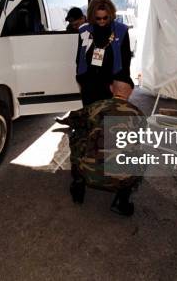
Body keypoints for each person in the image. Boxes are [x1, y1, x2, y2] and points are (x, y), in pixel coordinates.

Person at [60, 80, 145, 216]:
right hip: (120, 177)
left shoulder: (96, 106)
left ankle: (78, 186)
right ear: (131, 91)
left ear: (111, 88)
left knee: (77, 137)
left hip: (89, 170)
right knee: (142, 154)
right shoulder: (139, 114)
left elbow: (74, 120)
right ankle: (121, 202)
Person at [76, 0, 133, 106]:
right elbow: (79, 58)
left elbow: (126, 61)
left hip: (112, 85)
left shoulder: (121, 31)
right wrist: (82, 80)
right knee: (91, 120)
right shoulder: (84, 31)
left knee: (110, 121)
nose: (102, 21)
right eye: (98, 18)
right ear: (92, 16)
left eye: (105, 18)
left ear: (110, 15)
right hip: (90, 86)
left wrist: (121, 83)